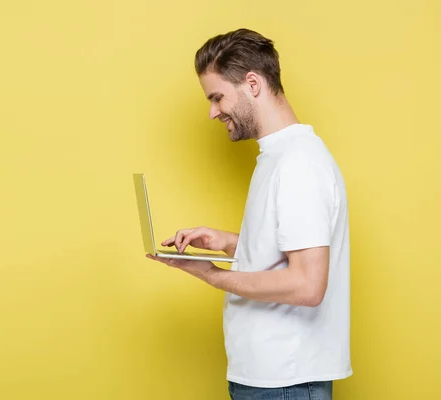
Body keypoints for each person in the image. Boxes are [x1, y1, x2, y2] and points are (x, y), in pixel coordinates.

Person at [146, 28, 352, 400]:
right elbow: (289, 254)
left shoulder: (298, 163)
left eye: (217, 97)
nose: (212, 112)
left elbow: (307, 285)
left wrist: (213, 276)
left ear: (252, 83)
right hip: (267, 377)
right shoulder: (278, 157)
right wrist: (228, 243)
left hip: (285, 381)